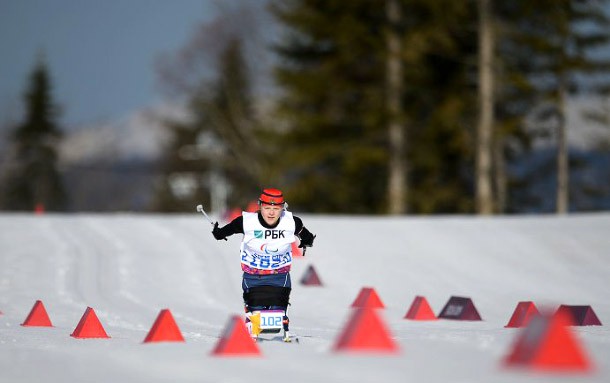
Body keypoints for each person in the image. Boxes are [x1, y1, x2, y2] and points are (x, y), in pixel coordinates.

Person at [211, 188, 316, 341]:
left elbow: (305, 235)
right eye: (267, 208)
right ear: (260, 206)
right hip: (253, 275)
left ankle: (279, 325)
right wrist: (218, 233)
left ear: (283, 208)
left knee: (277, 307)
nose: (271, 213)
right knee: (256, 306)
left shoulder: (291, 222)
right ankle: (252, 325)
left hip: (279, 275)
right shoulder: (246, 222)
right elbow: (227, 230)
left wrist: (307, 241)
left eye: (276, 208)